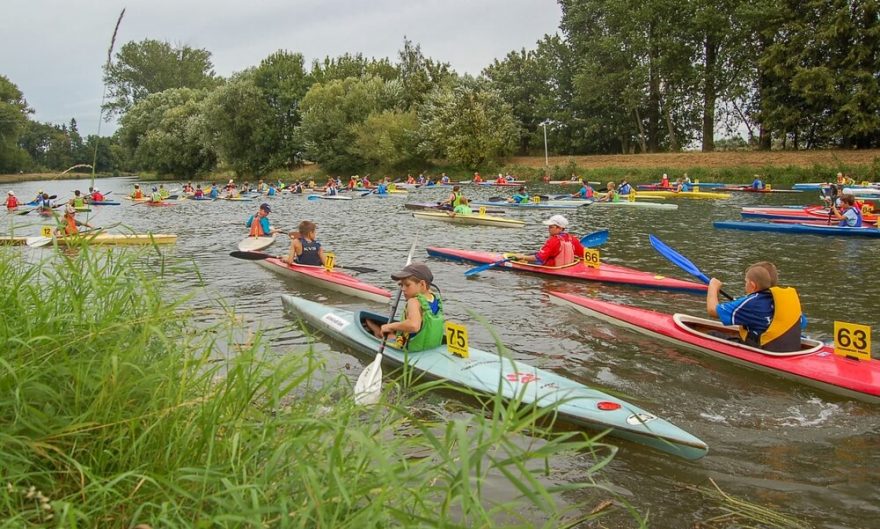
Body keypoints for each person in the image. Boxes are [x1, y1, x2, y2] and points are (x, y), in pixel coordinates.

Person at [706, 262, 805, 353]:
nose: (745, 285)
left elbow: (712, 310)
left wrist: (713, 287)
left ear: (753, 285)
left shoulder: (751, 303)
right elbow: (803, 323)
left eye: (746, 282)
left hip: (765, 351)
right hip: (790, 349)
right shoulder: (785, 301)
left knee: (711, 334)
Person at [365, 262, 445, 353]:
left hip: (411, 351)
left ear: (422, 285)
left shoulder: (414, 302)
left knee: (387, 331)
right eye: (401, 285)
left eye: (407, 285)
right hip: (430, 348)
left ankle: (377, 331)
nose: (403, 289)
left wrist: (390, 327)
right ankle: (380, 329)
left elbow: (414, 326)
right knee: (394, 334)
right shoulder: (434, 297)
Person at [510, 215, 585, 267]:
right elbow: (583, 254)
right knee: (532, 254)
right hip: (567, 265)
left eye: (551, 227)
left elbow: (538, 258)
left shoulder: (553, 240)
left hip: (552, 266)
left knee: (527, 258)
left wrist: (522, 257)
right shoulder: (572, 238)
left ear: (560, 228)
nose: (548, 229)